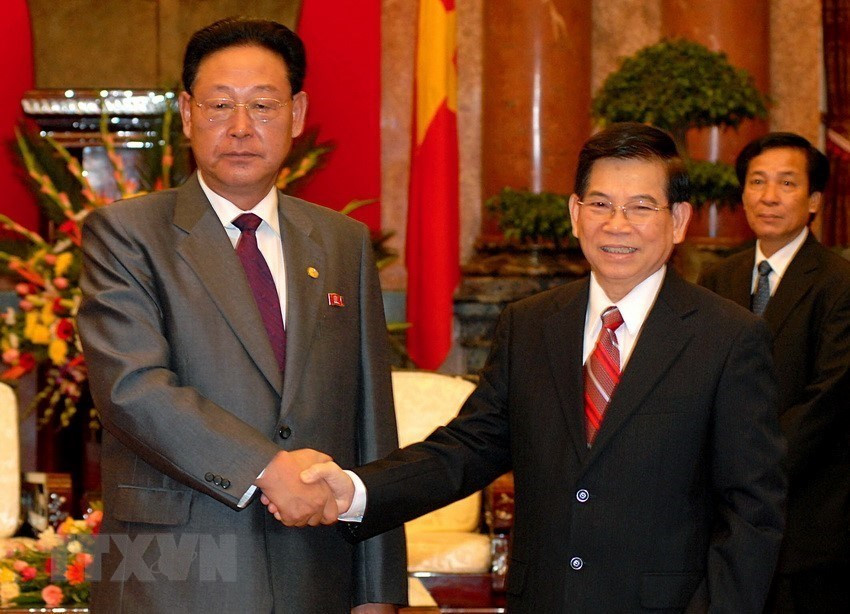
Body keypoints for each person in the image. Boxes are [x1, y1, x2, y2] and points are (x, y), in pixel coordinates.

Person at [290, 123, 787, 613]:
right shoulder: (530, 325)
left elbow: (752, 513)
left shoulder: (727, 338)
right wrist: (357, 490)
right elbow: (469, 447)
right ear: (575, 213)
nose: (617, 224)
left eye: (641, 207)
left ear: (678, 220)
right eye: (599, 204)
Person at [77, 17, 406, 614]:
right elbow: (131, 388)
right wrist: (263, 467)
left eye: (262, 105)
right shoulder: (126, 235)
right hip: (173, 578)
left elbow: (370, 423)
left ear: (298, 114)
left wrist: (378, 591)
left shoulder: (342, 243)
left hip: (316, 571)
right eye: (219, 104)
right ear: (186, 112)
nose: (239, 128)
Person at [699, 132, 850, 614]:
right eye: (757, 182)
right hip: (723, 516)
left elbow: (831, 396)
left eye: (786, 183)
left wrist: (749, 463)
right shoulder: (716, 279)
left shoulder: (839, 282)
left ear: (814, 201)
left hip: (808, 514)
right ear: (742, 194)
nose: (768, 196)